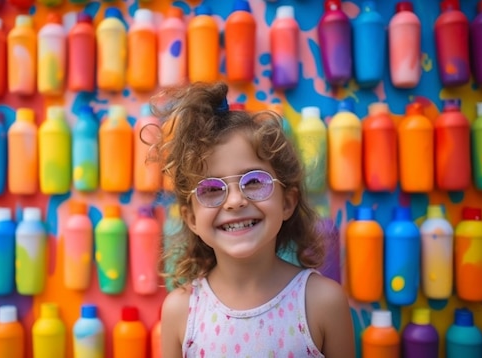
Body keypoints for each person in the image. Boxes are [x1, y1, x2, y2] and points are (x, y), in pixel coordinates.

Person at [150, 81, 355, 357]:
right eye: (211, 189)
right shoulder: (180, 311)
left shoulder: (323, 302)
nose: (235, 201)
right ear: (191, 218)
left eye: (254, 182)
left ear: (287, 202)